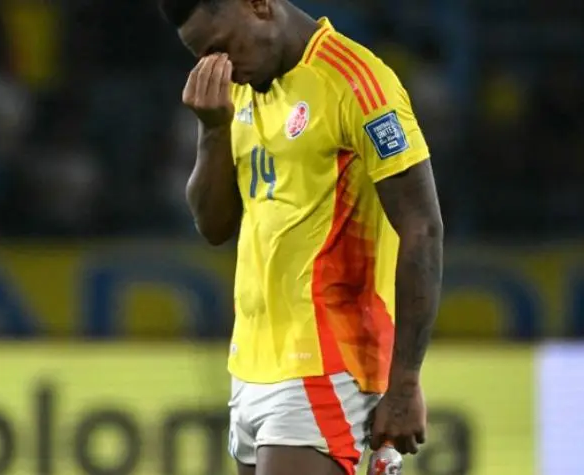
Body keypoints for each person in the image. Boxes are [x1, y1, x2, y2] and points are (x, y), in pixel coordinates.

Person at [157, 1, 444, 474]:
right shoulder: (244, 90)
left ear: (258, 5)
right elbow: (213, 226)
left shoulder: (355, 81)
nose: (219, 67)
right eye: (203, 57)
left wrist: (406, 381)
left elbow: (422, 228)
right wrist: (213, 131)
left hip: (326, 361)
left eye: (222, 47)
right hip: (251, 365)